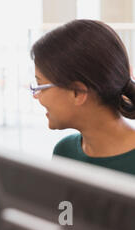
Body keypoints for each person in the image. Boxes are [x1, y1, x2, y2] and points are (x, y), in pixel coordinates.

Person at [31, 19, 135, 175]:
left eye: (40, 86)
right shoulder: (65, 152)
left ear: (77, 92)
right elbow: (63, 202)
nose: (36, 96)